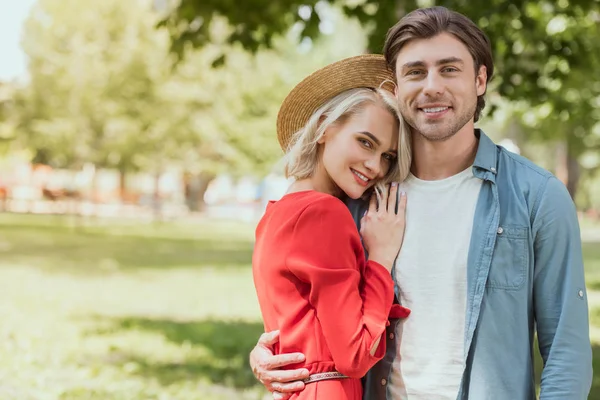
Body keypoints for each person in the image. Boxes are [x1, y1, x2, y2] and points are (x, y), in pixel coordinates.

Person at [250, 6, 592, 400]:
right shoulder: (358, 199)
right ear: (395, 89)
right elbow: (308, 307)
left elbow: (566, 352)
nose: (431, 87)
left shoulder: (536, 197)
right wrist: (268, 353)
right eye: (415, 72)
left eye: (449, 69)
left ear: (480, 80)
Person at [252, 54, 413, 399]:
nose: (375, 166)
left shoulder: (277, 213)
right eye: (365, 142)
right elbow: (355, 354)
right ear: (325, 126)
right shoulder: (324, 212)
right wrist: (381, 259)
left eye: (387, 156)